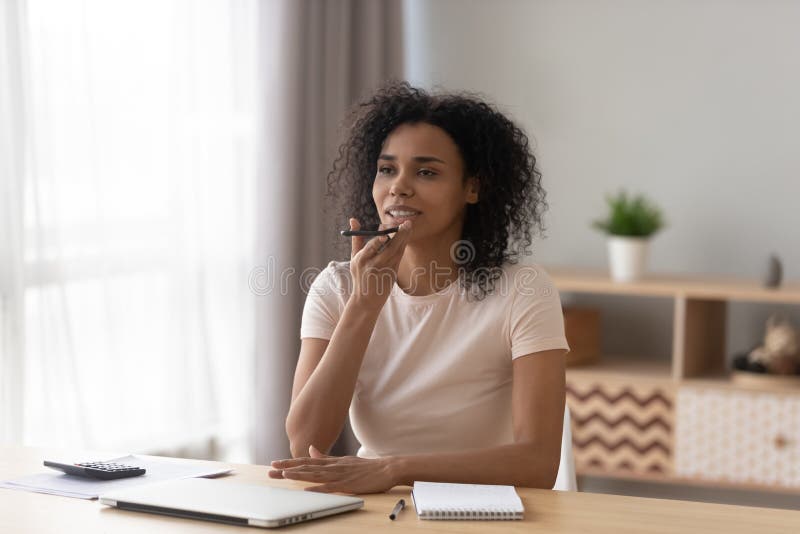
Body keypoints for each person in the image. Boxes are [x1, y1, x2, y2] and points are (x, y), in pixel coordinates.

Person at [269, 81, 570, 494]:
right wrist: (363, 306)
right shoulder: (337, 287)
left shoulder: (523, 290)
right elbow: (306, 443)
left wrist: (396, 469)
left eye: (426, 172)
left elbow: (537, 464)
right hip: (376, 506)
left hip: (485, 509)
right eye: (387, 169)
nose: (399, 186)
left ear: (473, 188)